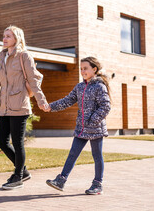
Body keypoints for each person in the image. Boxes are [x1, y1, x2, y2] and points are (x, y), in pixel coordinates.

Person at [0, 25, 49, 190]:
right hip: (4, 107)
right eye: (4, 36)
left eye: (9, 36)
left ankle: (18, 176)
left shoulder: (24, 56)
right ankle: (23, 171)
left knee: (17, 143)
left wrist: (41, 100)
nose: (4, 39)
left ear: (17, 39)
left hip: (20, 105)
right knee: (2, 142)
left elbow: (33, 80)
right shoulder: (2, 56)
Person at [45, 56, 111, 195]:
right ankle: (61, 180)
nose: (82, 71)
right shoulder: (80, 87)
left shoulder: (99, 86)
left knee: (97, 156)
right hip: (81, 128)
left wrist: (93, 120)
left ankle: (97, 184)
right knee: (73, 154)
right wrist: (51, 107)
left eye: (85, 68)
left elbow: (106, 106)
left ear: (94, 69)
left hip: (95, 128)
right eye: (81, 69)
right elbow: (67, 100)